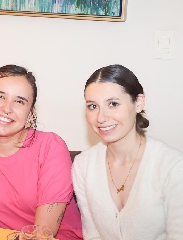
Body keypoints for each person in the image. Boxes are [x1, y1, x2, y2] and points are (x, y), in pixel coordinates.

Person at [0, 65, 83, 239]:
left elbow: (42, 234)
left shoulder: (50, 147)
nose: (7, 108)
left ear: (31, 113)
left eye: (19, 101)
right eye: (0, 96)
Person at [72, 64, 183, 239]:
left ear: (138, 103)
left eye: (113, 104)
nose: (101, 117)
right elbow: (92, 235)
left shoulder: (172, 166)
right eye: (93, 106)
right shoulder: (83, 166)